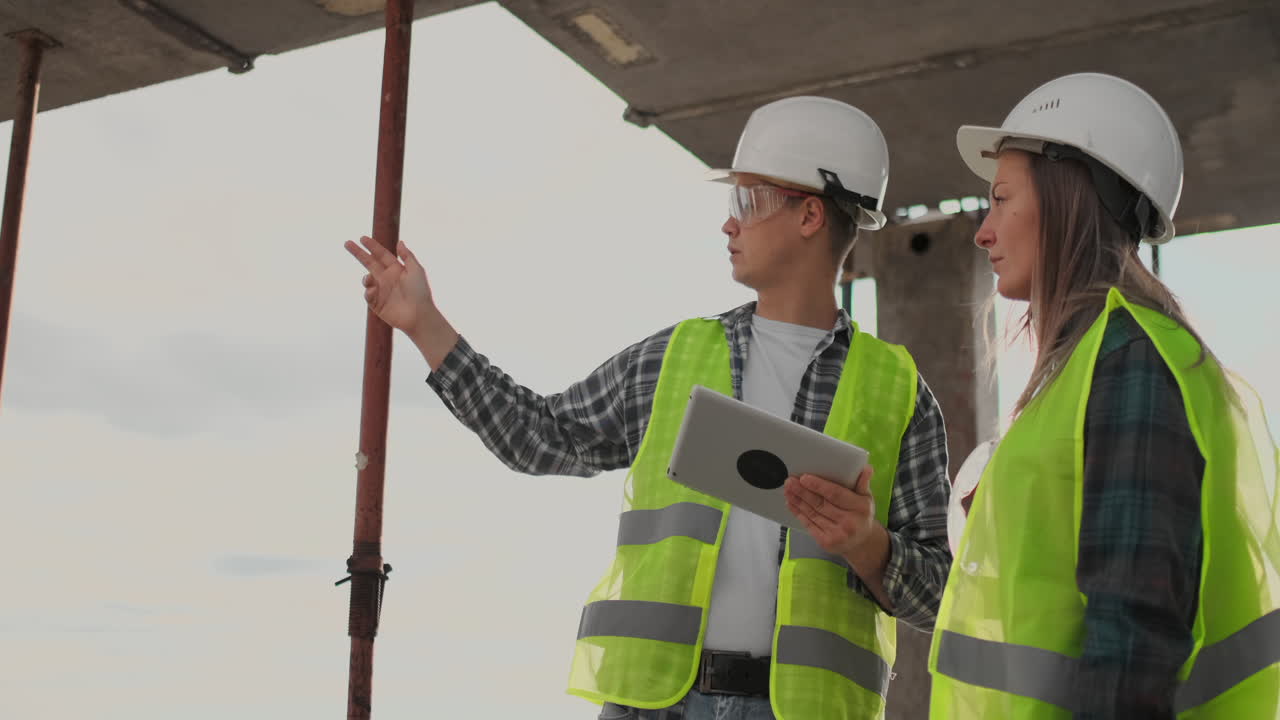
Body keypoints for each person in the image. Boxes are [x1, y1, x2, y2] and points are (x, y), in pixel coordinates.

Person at [346, 95, 953, 720]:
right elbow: (540, 437)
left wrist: (867, 543)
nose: (728, 224)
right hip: (654, 704)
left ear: (809, 216)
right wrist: (424, 324)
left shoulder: (898, 391)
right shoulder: (674, 358)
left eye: (748, 200)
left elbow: (939, 597)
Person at [928, 72, 1280, 719]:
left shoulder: (1133, 366)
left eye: (1002, 199)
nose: (983, 231)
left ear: (1069, 198)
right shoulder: (1089, 368)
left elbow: (1132, 643)